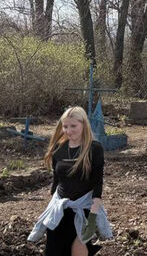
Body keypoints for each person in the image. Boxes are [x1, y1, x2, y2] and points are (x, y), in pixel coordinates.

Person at [28, 106, 110, 255]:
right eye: (65, 126)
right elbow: (57, 181)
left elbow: (97, 184)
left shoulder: (94, 148)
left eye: (73, 126)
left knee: (78, 249)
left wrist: (92, 218)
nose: (68, 130)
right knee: (55, 251)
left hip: (83, 209)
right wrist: (51, 206)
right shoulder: (58, 149)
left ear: (83, 124)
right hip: (60, 209)